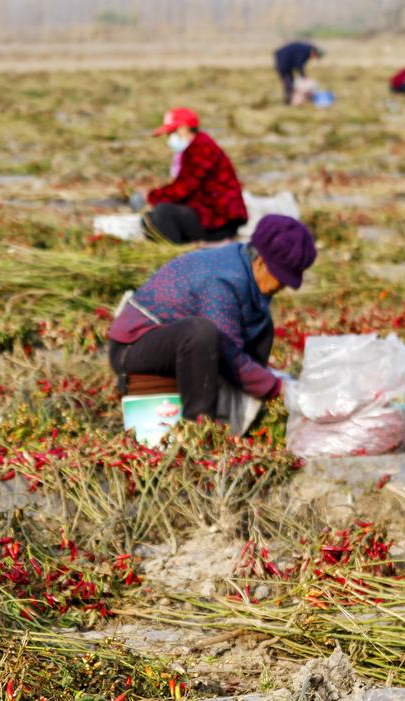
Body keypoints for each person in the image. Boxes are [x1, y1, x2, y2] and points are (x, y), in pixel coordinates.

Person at [107, 215, 317, 426]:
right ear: (261, 262)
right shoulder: (222, 281)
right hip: (133, 347)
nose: (282, 287)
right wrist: (277, 387)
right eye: (281, 280)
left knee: (261, 322)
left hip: (174, 346)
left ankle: (243, 410)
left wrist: (268, 380)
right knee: (200, 333)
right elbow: (229, 352)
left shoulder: (244, 264)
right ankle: (199, 424)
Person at [141, 107, 248, 245]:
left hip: (220, 221)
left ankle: (175, 255)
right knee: (149, 220)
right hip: (207, 214)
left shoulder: (202, 148)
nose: (169, 138)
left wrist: (152, 196)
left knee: (163, 212)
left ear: (184, 129)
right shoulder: (193, 147)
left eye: (171, 132)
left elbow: (183, 188)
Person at [274, 40, 323, 105]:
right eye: (315, 56)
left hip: (287, 63)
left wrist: (303, 76)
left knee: (291, 81)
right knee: (288, 83)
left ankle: (290, 100)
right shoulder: (304, 51)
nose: (313, 58)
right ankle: (288, 102)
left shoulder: (306, 50)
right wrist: (304, 77)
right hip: (283, 63)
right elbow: (299, 65)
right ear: (314, 52)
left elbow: (299, 64)